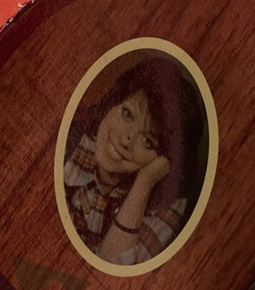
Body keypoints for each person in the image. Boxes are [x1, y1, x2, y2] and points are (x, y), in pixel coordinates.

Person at [64, 55, 194, 267]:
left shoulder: (167, 200)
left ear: (165, 161)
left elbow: (112, 267)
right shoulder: (70, 142)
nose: (126, 139)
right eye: (127, 114)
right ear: (113, 102)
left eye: (147, 141)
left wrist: (143, 184)